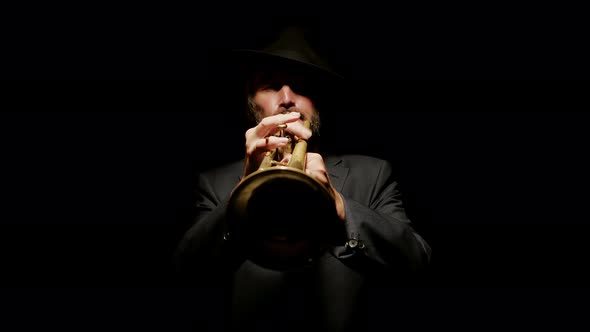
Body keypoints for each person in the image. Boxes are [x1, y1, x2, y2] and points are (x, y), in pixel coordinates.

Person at [173, 24, 432, 332]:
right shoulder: (215, 183)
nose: (287, 99)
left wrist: (339, 207)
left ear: (318, 102)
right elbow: (183, 278)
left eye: (301, 86)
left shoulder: (372, 174)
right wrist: (241, 194)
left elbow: (418, 265)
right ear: (250, 100)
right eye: (270, 85)